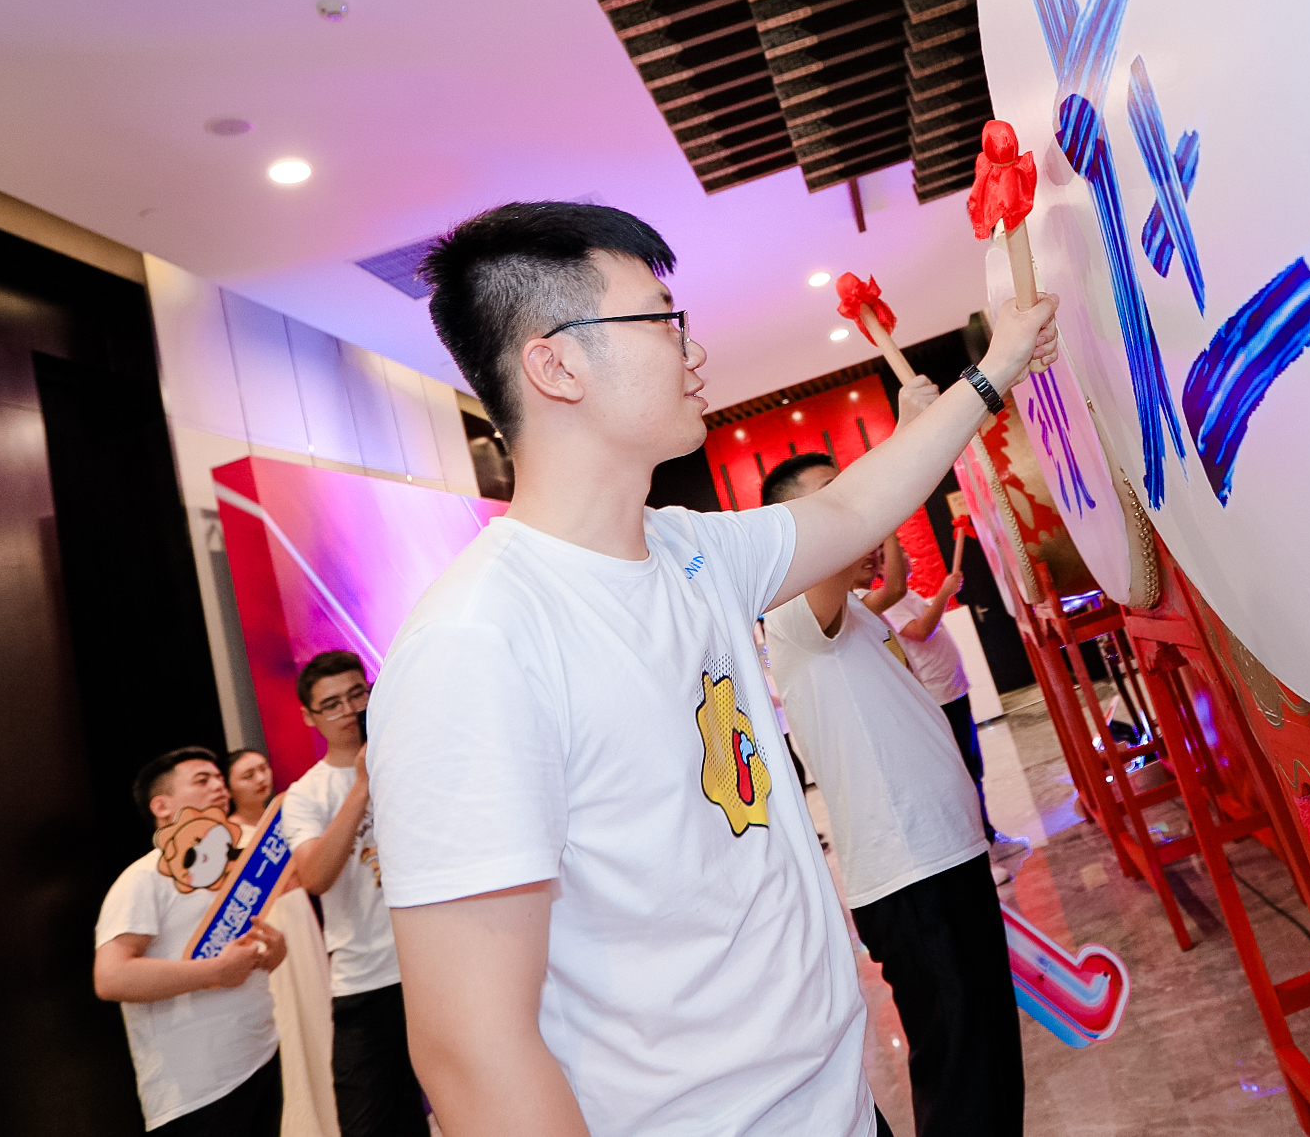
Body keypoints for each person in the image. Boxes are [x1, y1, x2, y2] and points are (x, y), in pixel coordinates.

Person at [365, 201, 1057, 1137]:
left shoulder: (688, 549)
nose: (693, 349)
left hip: (840, 1106)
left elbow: (853, 511)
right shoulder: (476, 643)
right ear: (556, 364)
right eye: (662, 320)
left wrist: (993, 369)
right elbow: (471, 1049)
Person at [762, 450, 1025, 1137]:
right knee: (964, 1074)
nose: (857, 507)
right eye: (834, 495)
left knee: (990, 1059)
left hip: (943, 857)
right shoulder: (791, 612)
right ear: (794, 522)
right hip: (910, 874)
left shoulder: (853, 612)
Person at [96, 747, 289, 1135]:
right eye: (202, 780)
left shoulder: (233, 871)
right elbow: (111, 977)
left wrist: (274, 952)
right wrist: (215, 971)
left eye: (219, 778)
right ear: (162, 806)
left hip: (260, 1056)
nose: (219, 787)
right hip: (195, 1090)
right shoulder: (143, 878)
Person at [279, 652, 422, 1137]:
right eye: (332, 704)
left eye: (357, 694)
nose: (348, 711)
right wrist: (362, 784)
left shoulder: (411, 763)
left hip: (433, 966)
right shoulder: (306, 794)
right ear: (309, 717)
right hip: (365, 981)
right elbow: (315, 877)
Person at [875, 535, 1027, 865]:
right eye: (898, 553)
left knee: (972, 768)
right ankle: (983, 844)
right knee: (965, 772)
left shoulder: (907, 595)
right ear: (882, 567)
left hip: (952, 690)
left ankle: (987, 837)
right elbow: (920, 632)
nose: (907, 556)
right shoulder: (889, 602)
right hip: (939, 697)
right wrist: (944, 593)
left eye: (905, 550)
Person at [228, 747, 343, 1137]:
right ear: (230, 787)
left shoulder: (287, 818)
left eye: (262, 769)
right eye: (247, 775)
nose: (261, 778)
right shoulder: (228, 836)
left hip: (302, 921)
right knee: (288, 1018)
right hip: (268, 928)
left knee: (318, 1010)